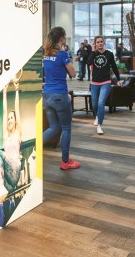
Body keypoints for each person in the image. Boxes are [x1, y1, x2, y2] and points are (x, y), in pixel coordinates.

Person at [43, 27, 80, 170]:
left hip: (47, 95)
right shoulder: (62, 54)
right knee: (66, 128)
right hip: (59, 95)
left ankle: (35, 148)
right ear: (61, 38)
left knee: (53, 127)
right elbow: (73, 73)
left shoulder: (46, 55)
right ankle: (65, 161)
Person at [0, 76, 23, 208]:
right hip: (9, 178)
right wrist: (4, 91)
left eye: (11, 118)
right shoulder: (5, 136)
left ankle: (0, 187)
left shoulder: (18, 133)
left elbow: (16, 110)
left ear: (15, 120)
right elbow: (4, 111)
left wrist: (16, 89)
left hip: (15, 169)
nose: (9, 120)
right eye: (8, 119)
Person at [87, 36, 123, 135]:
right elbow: (88, 62)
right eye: (98, 42)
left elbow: (115, 67)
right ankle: (97, 116)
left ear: (104, 43)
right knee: (94, 104)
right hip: (94, 83)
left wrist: (119, 80)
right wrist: (93, 51)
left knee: (101, 103)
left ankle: (99, 125)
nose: (100, 43)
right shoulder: (93, 54)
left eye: (101, 42)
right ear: (95, 44)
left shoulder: (109, 54)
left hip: (106, 82)